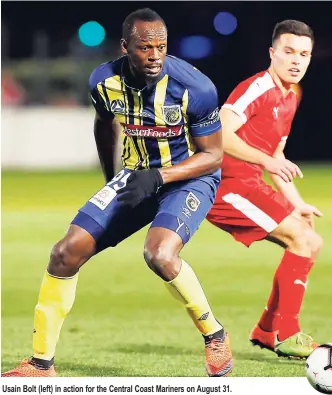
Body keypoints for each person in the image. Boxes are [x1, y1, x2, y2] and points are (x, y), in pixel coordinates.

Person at [2, 8, 233, 378]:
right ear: (126, 47)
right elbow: (103, 123)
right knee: (64, 253)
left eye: (161, 46)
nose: (155, 55)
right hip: (134, 177)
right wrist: (113, 179)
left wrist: (159, 177)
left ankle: (214, 334)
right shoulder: (103, 80)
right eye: (145, 47)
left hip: (188, 179)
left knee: (158, 253)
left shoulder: (196, 87)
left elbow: (213, 156)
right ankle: (41, 363)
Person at [206, 20, 323, 359]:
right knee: (303, 240)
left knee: (307, 238)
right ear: (272, 54)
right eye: (288, 52)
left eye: (304, 54)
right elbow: (221, 135)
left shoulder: (290, 97)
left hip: (249, 185)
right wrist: (269, 162)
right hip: (226, 188)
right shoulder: (257, 87)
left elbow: (275, 155)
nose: (296, 61)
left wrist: (297, 203)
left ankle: (266, 330)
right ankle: (287, 334)